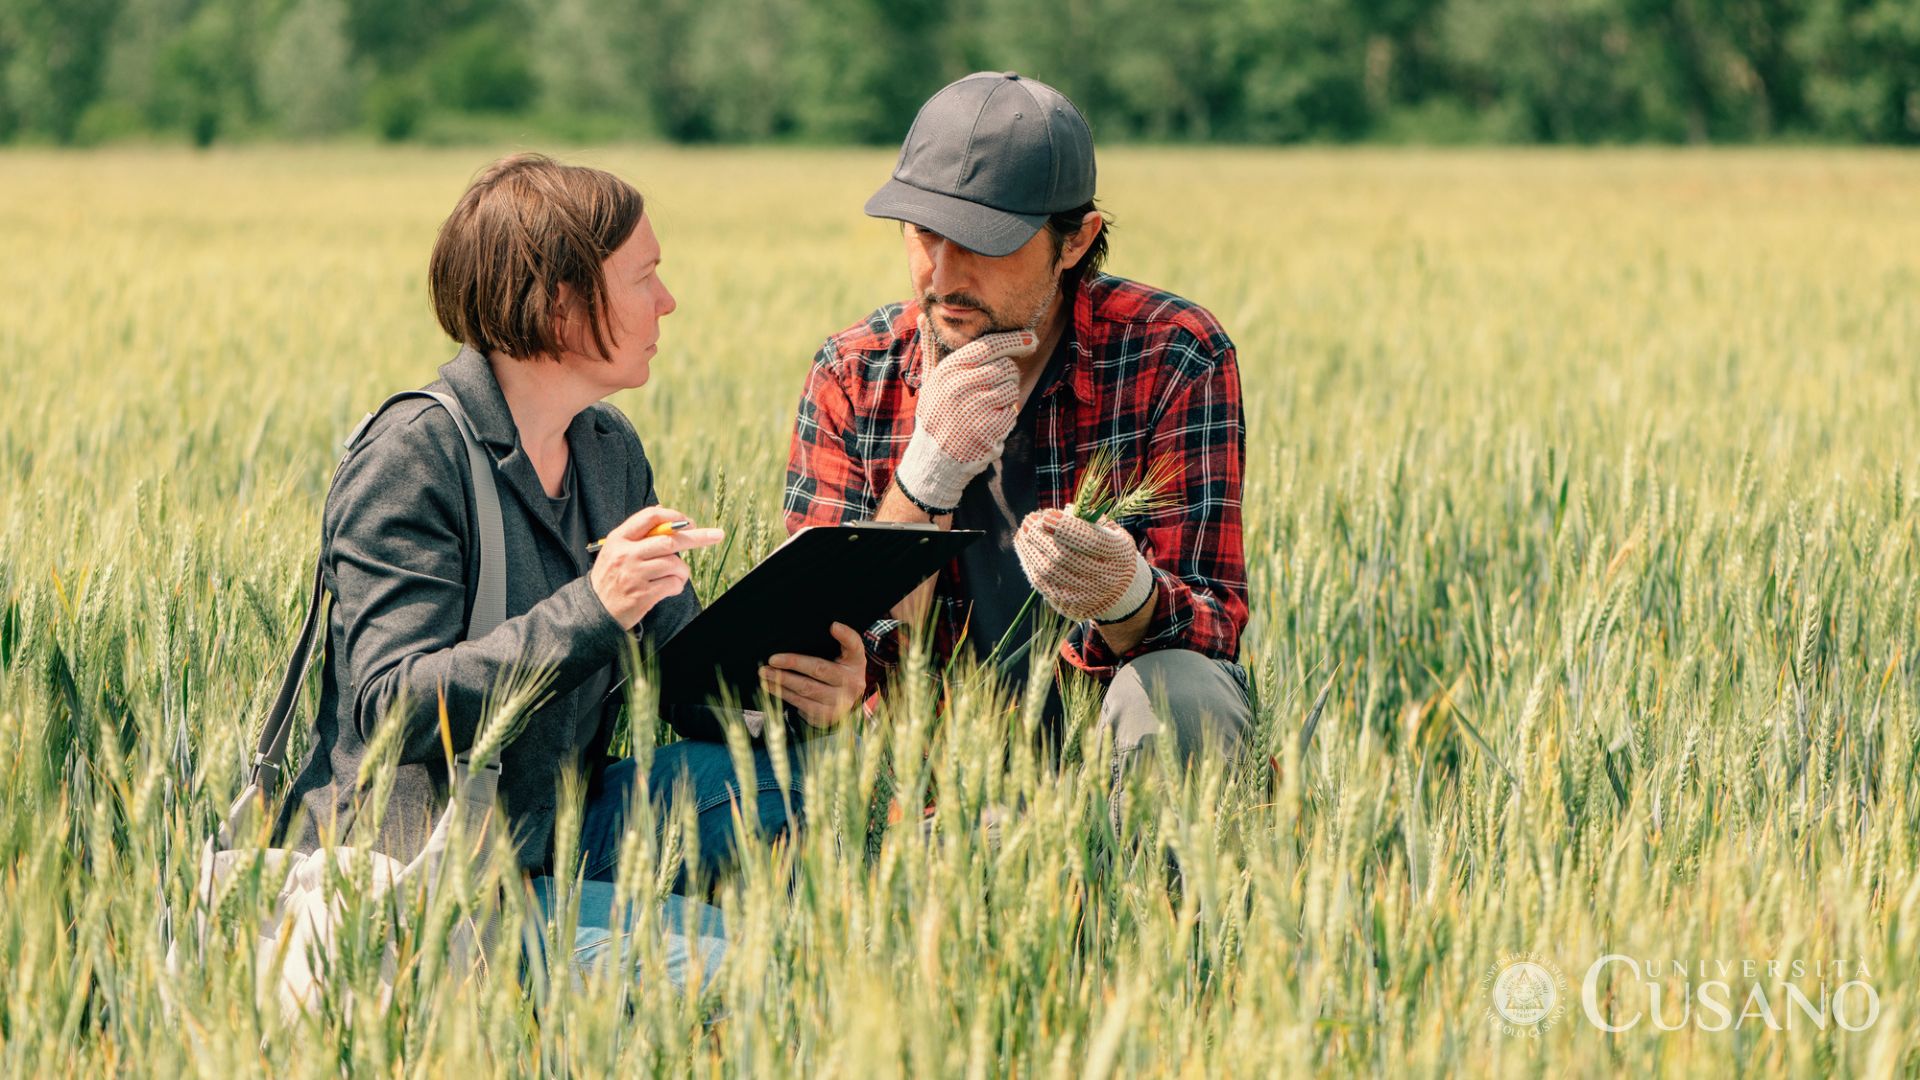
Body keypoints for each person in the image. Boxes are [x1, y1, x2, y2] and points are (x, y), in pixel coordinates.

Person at [270, 154, 865, 982]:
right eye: (645, 277)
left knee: (804, 789)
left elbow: (682, 681)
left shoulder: (606, 450)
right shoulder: (415, 457)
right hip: (428, 878)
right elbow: (386, 710)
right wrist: (594, 607)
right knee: (734, 963)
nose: (668, 301)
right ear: (562, 305)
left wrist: (803, 702)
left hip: (563, 834)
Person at [781, 72, 1253, 823]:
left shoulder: (1172, 354)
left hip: (1109, 766)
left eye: (983, 244)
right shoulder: (854, 371)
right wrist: (926, 475)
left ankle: (1157, 927)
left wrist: (1125, 596)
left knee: (1187, 695)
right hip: (917, 786)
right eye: (923, 234)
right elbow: (815, 636)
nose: (942, 276)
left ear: (1078, 240)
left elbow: (1212, 625)